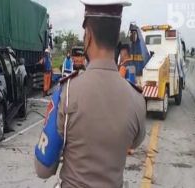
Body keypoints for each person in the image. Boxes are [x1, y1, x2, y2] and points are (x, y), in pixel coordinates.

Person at [34, 1, 146, 188]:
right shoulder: (137, 99)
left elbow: (43, 169)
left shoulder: (67, 92)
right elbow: (134, 143)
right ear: (116, 37)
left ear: (89, 36)